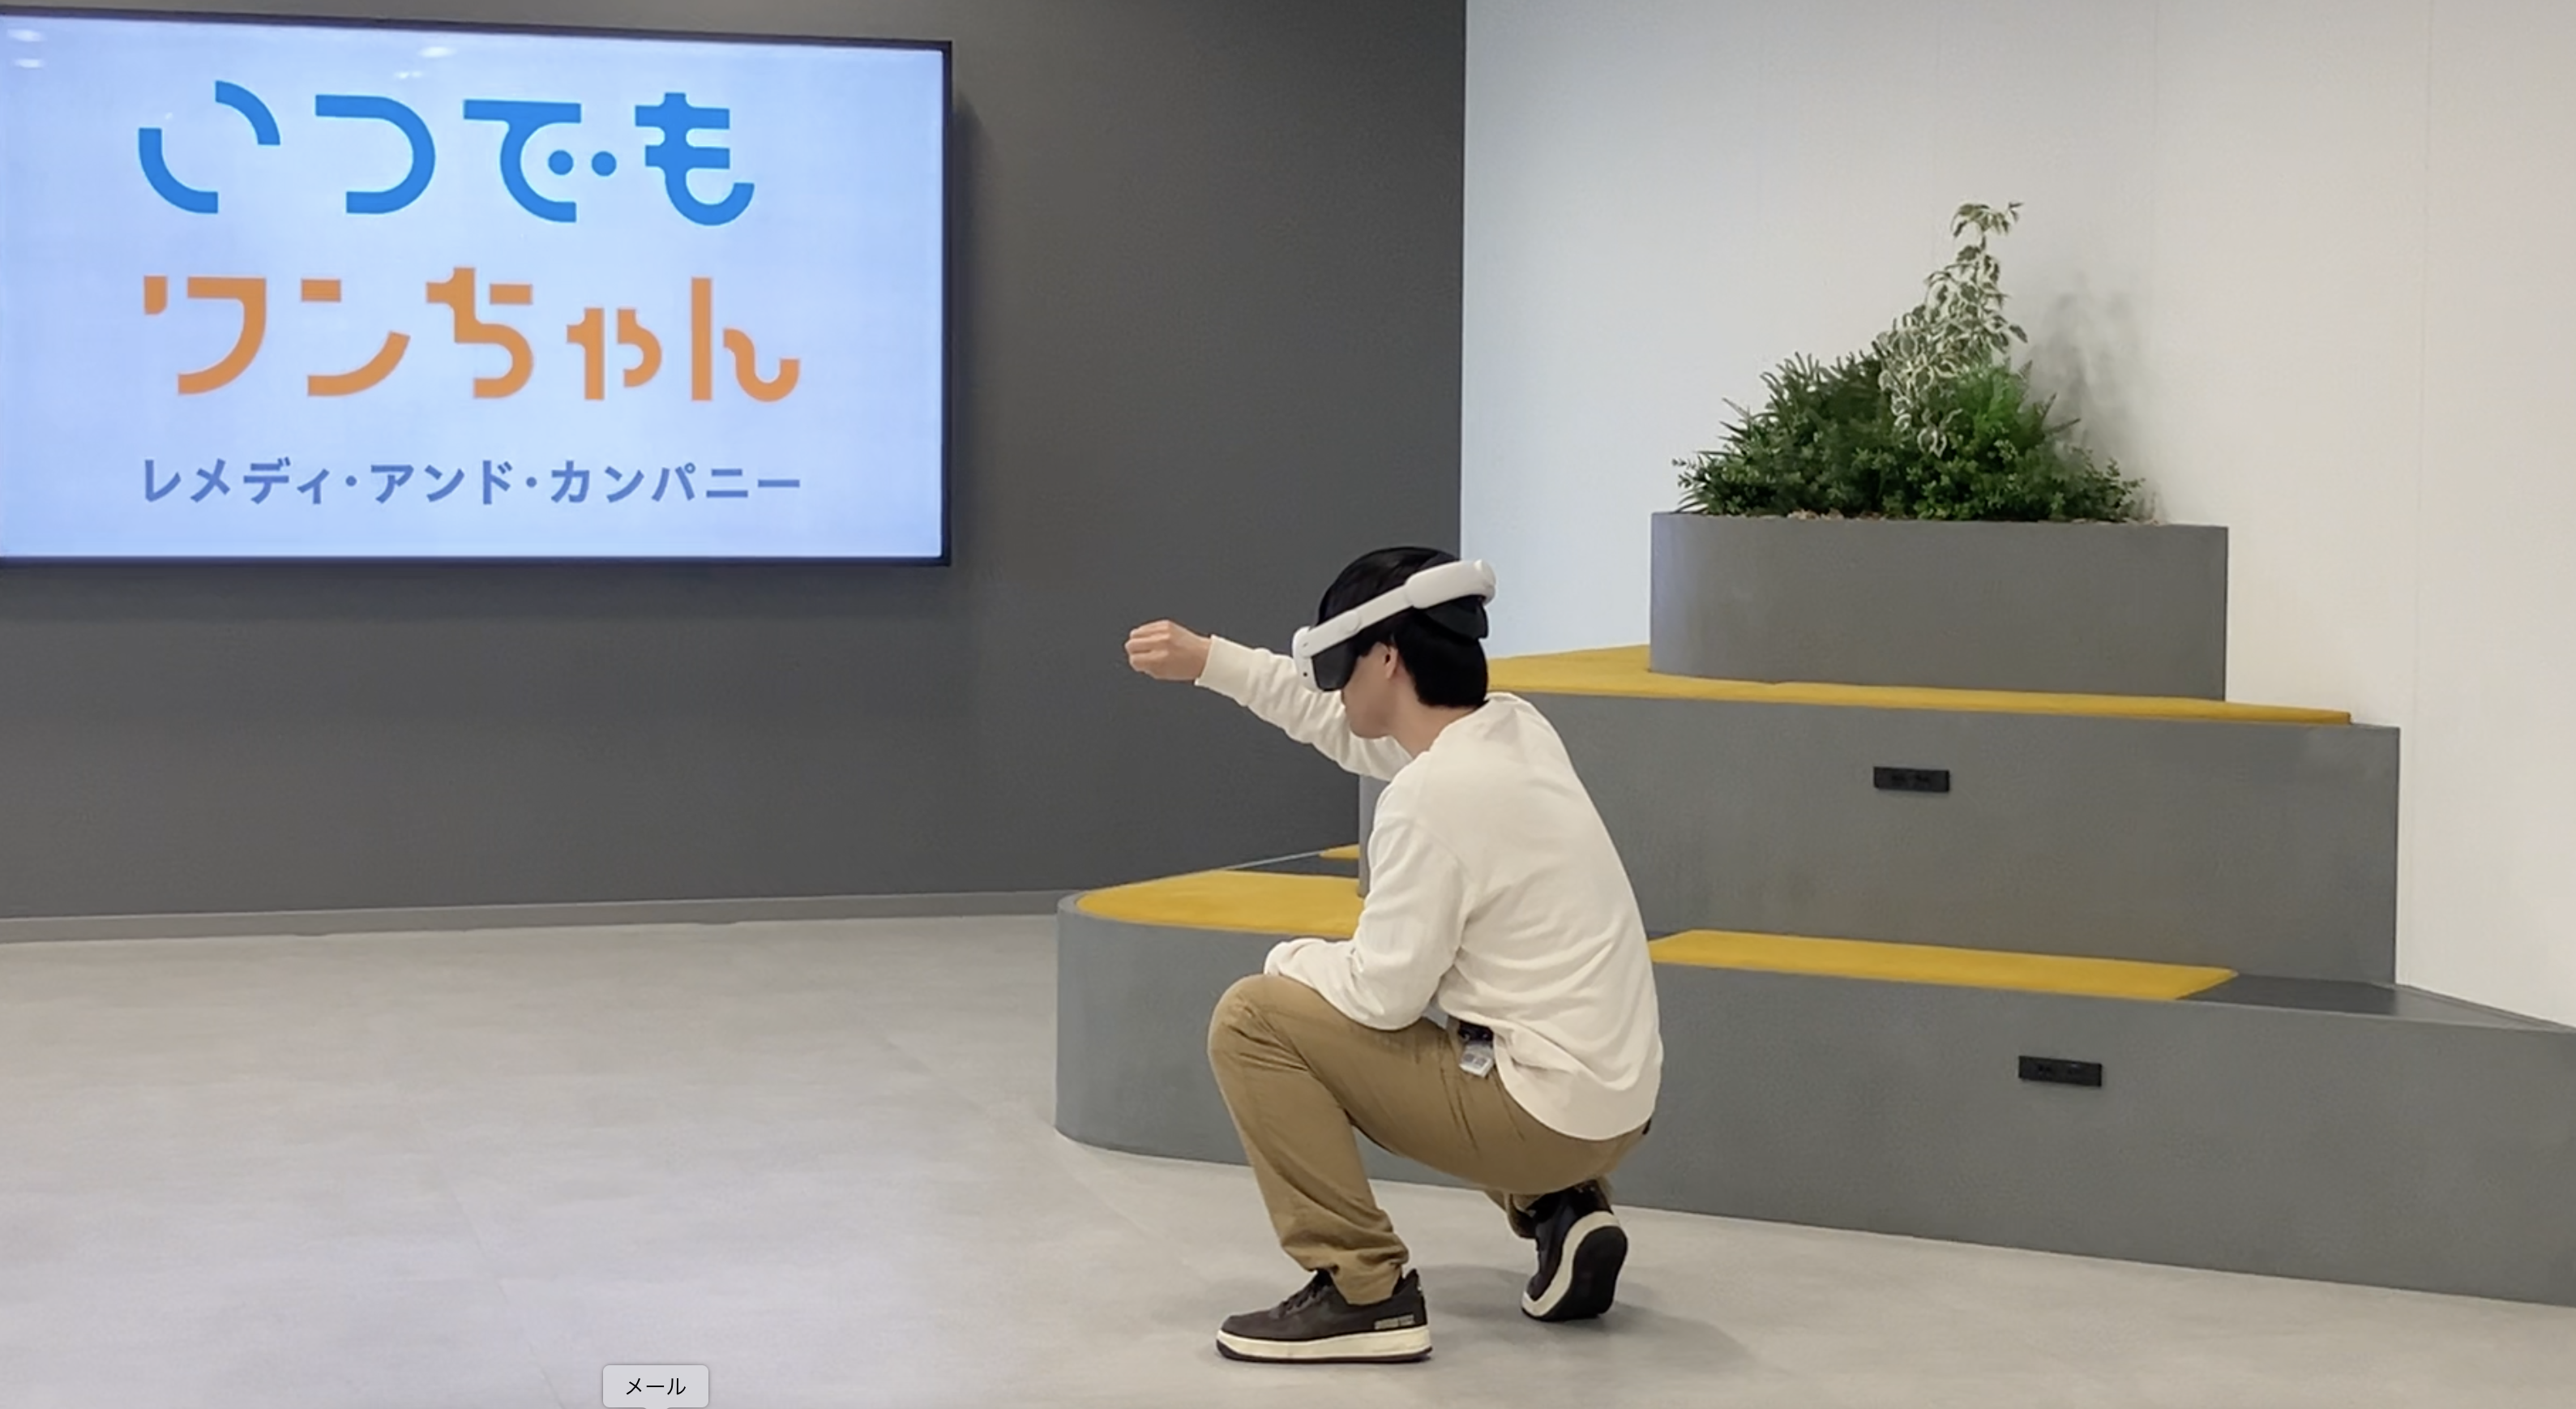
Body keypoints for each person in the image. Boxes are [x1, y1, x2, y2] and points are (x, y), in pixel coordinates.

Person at [1124, 546, 1663, 1365]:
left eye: (1338, 664)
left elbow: (1381, 995)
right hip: (1617, 1104)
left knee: (1254, 1020)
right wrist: (1212, 661)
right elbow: (1339, 728)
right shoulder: (1515, 729)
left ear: (1385, 658)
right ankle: (1561, 1208)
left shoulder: (1430, 797)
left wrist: (1288, 960)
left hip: (1546, 1117)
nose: (1333, 688)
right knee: (1475, 1022)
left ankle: (1363, 1290)